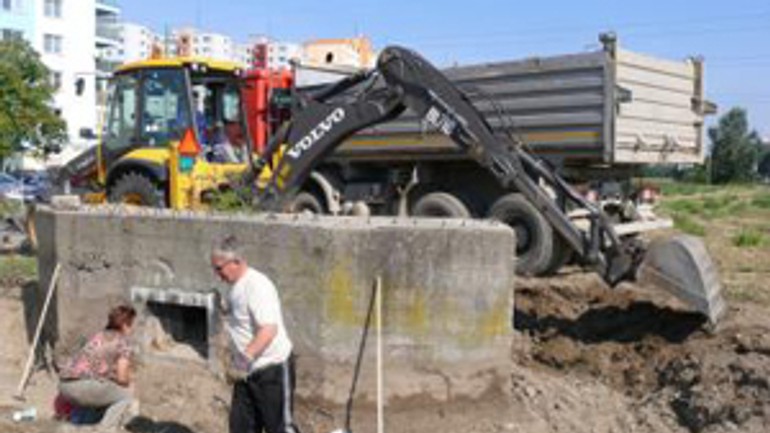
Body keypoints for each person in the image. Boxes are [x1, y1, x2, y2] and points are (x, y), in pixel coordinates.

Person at [210, 235, 299, 433]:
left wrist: (241, 361)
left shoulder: (257, 286)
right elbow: (243, 318)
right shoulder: (236, 286)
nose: (217, 275)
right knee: (241, 427)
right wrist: (223, 310)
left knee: (279, 428)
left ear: (236, 262)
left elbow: (268, 330)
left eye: (219, 268)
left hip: (271, 370)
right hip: (248, 372)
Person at [58, 305, 137, 431]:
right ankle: (107, 428)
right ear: (125, 325)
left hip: (65, 387)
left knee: (100, 390)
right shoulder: (123, 342)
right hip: (85, 387)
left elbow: (94, 366)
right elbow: (122, 378)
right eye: (131, 324)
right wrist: (129, 381)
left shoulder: (98, 335)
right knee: (127, 393)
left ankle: (80, 426)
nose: (132, 328)